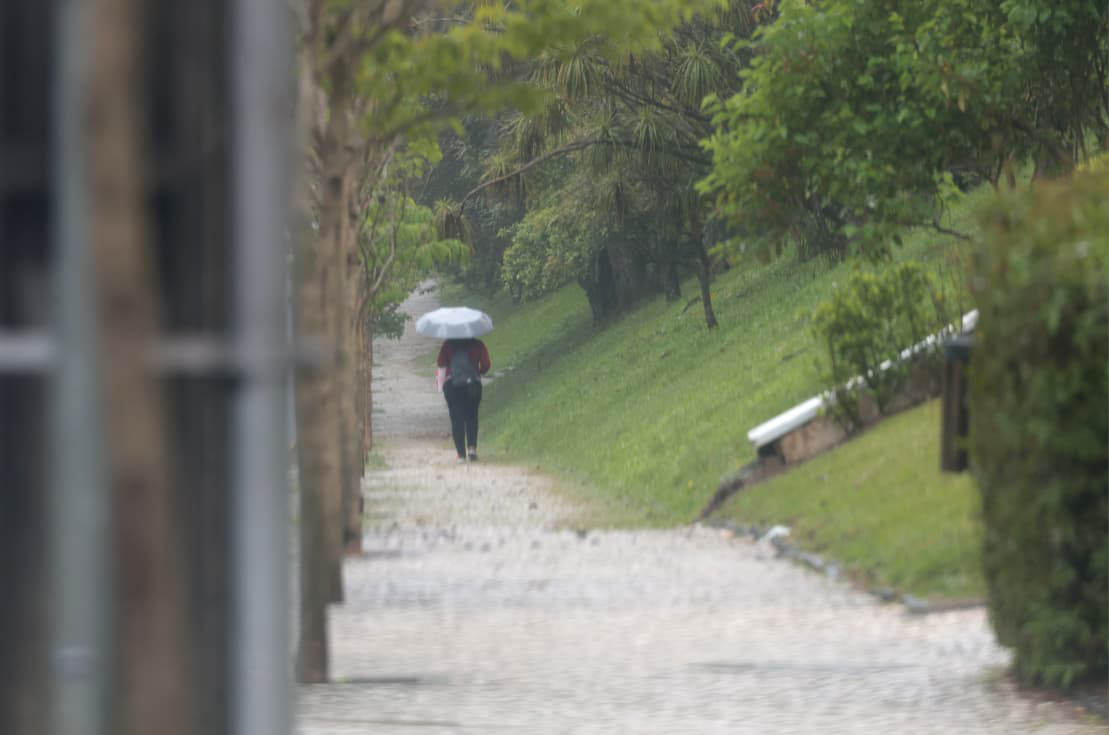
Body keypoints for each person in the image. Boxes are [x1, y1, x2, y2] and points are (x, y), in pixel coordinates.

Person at [437, 337, 491, 462]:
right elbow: (486, 364)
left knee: (457, 419)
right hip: (473, 385)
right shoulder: (478, 344)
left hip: (452, 385)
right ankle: (472, 448)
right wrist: (477, 372)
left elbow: (440, 363)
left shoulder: (448, 344)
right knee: (472, 416)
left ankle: (461, 455)